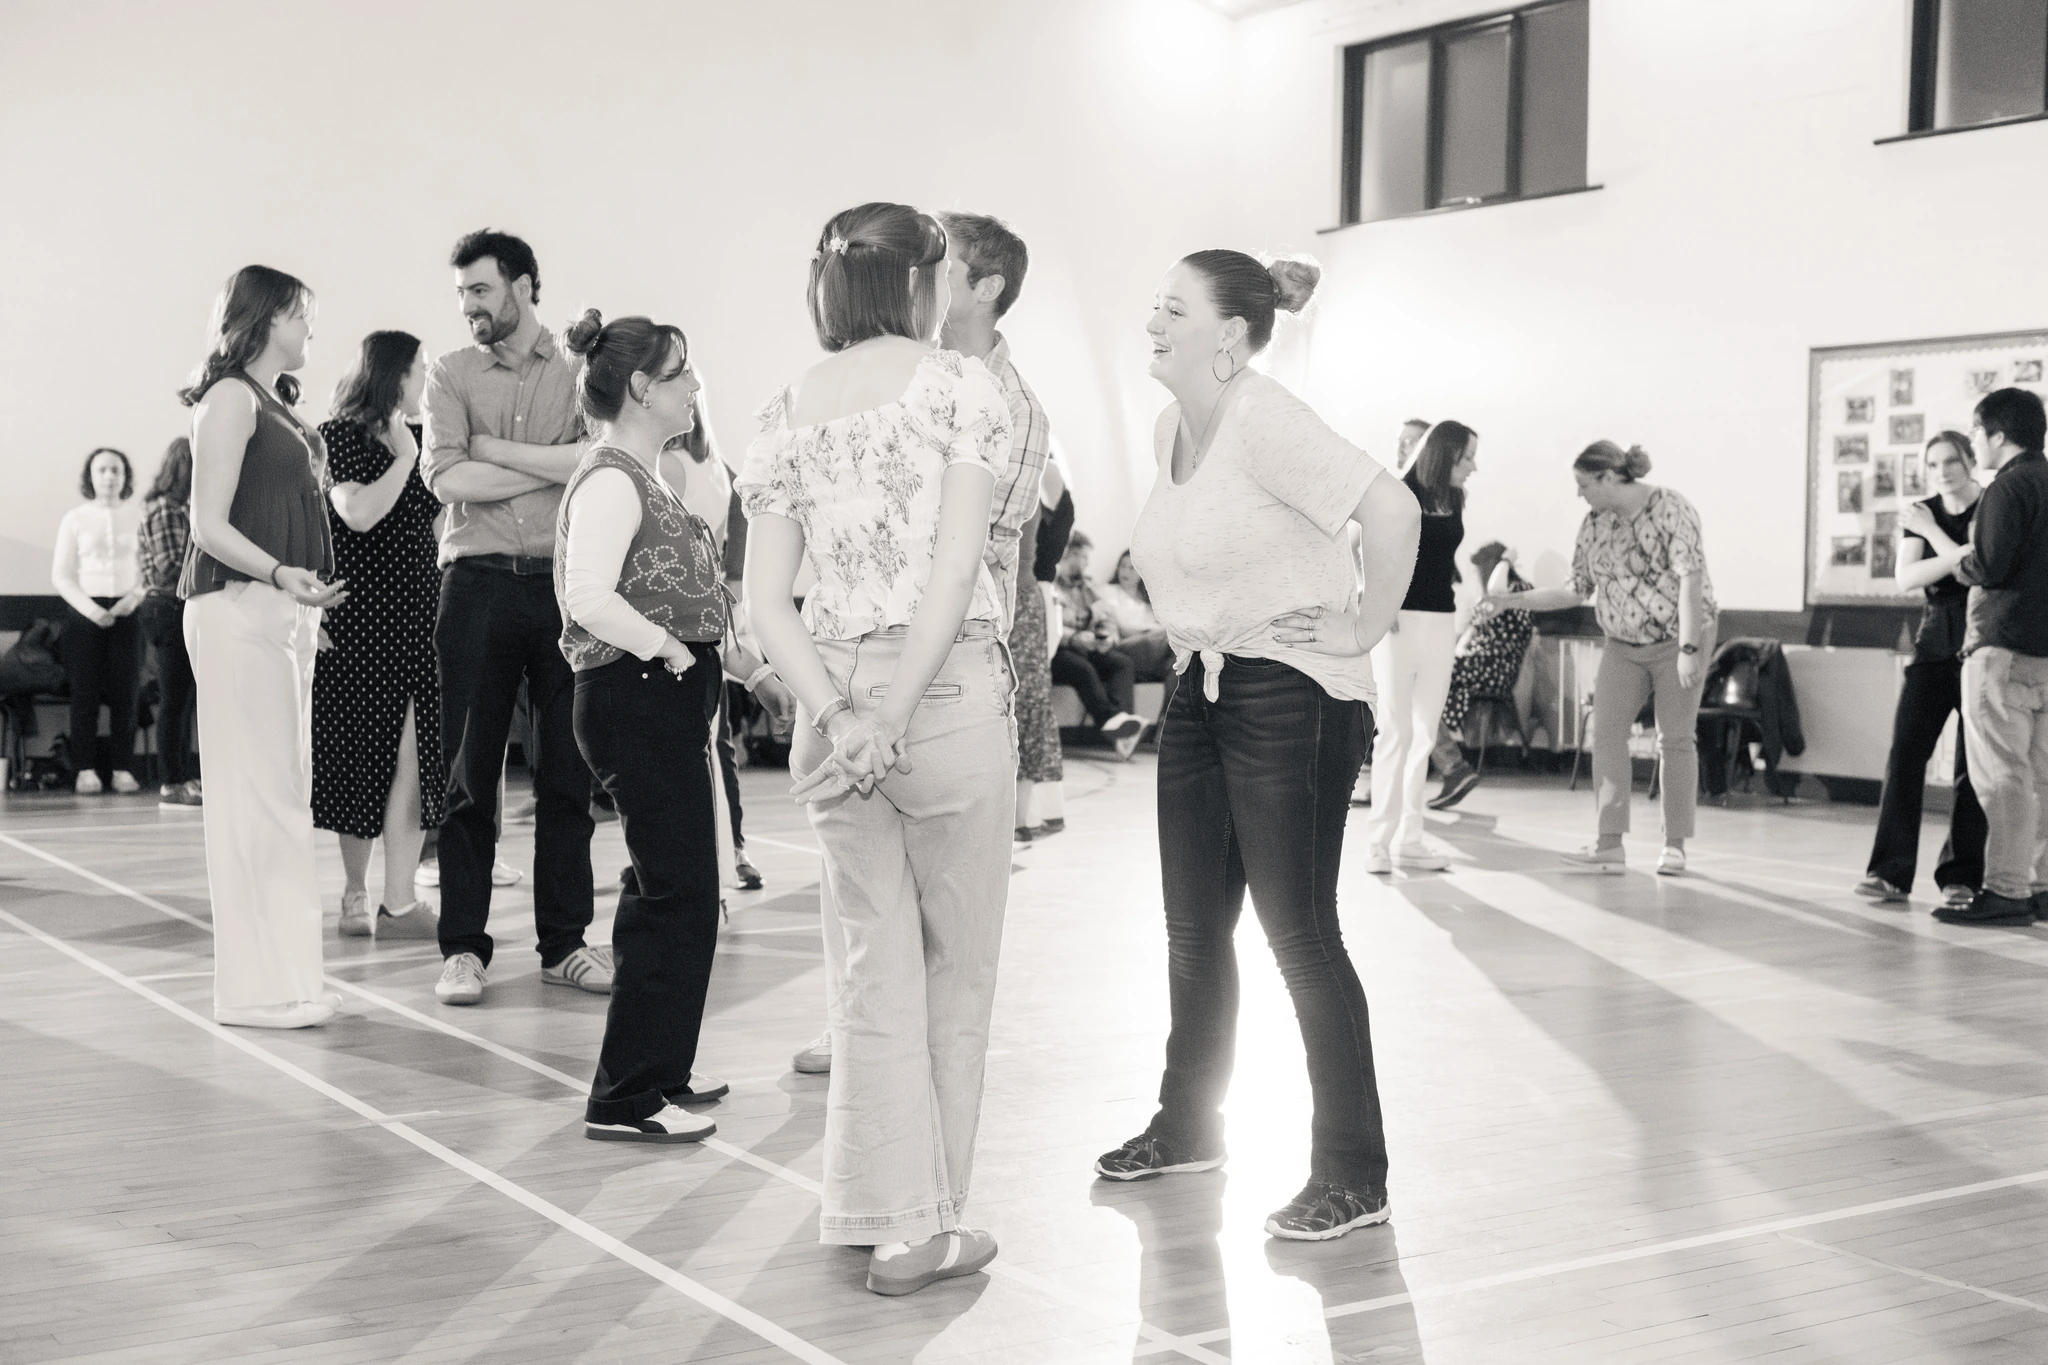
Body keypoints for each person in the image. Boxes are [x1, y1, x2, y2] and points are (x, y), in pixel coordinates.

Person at [1097, 248, 1421, 1244]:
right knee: (1192, 931)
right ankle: (1188, 1124)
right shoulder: (1168, 430)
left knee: (1298, 936)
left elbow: (1392, 507)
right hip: (1200, 686)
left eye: (1173, 308)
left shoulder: (1264, 416)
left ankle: (1352, 1174)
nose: (1151, 320)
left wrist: (1363, 626)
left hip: (1291, 693)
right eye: (1153, 303)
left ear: (1230, 337)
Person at [740, 202, 1014, 1296]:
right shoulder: (962, 386)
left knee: (868, 970)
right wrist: (891, 713)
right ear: (924, 279)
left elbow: (766, 601)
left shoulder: (785, 403)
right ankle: (922, 1231)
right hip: (935, 694)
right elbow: (952, 572)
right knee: (957, 970)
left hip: (830, 701)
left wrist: (841, 713)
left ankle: (869, 1206)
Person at [557, 310, 744, 1144]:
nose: (694, 386)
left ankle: (661, 1067)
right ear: (639, 388)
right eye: (680, 373)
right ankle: (626, 1095)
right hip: (636, 692)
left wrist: (741, 669)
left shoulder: (651, 473)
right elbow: (586, 596)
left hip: (661, 690)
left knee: (676, 889)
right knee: (676, 890)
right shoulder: (610, 479)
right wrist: (669, 650)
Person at [421, 229, 607, 1007]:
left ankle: (564, 944)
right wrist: (540, 463)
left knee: (568, 774)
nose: (469, 307)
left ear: (525, 286)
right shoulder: (450, 372)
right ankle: (464, 948)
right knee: (470, 778)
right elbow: (444, 475)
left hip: (562, 588)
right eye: (463, 293)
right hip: (476, 585)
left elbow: (591, 461)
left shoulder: (577, 370)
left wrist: (495, 452)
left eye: (482, 290)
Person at [178, 264, 346, 1029]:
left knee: (283, 798)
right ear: (266, 316)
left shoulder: (274, 402)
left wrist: (299, 598)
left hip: (275, 611)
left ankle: (290, 979)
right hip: (236, 606)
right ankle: (256, 990)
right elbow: (209, 523)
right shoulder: (228, 398)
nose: (310, 327)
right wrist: (281, 572)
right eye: (301, 314)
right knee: (255, 801)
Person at [1486, 441, 1717, 876]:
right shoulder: (1594, 524)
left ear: (1610, 477)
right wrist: (1511, 602)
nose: (1579, 494)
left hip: (1679, 638)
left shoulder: (1671, 508)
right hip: (1622, 644)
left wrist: (1688, 649)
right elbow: (1575, 588)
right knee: (1607, 732)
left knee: (1675, 739)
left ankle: (1675, 845)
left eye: (1583, 484)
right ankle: (1609, 845)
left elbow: (1691, 580)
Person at [315, 331, 446, 942]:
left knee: (413, 762)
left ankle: (399, 903)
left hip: (418, 618)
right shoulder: (339, 435)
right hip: (360, 620)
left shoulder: (424, 440)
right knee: (360, 759)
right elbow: (358, 514)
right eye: (419, 369)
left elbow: (437, 523)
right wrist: (402, 461)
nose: (426, 380)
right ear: (393, 374)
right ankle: (354, 890)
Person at [1854, 432, 1986, 907]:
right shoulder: (1920, 510)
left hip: (1981, 637)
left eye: (1952, 461)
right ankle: (1889, 873)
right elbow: (1907, 577)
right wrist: (1947, 551)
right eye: (1933, 465)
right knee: (1906, 751)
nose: (1943, 471)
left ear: (1971, 460)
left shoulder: (1990, 507)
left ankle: (1962, 877)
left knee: (1971, 768)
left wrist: (1934, 538)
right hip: (1934, 640)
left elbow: (1979, 564)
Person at [1938, 388, 2048, 926]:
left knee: (2002, 773)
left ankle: (2005, 890)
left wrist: (1964, 563)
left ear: (1998, 434)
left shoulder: (2009, 485)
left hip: (2001, 644)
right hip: (2046, 651)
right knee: (2041, 774)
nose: (1975, 440)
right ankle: (2042, 886)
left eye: (1976, 432)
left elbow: (1992, 563)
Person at [1364, 420, 1477, 872]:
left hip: (1440, 621)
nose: (1473, 466)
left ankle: (1411, 839)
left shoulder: (1456, 497)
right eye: (1467, 456)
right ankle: (1378, 842)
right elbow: (1361, 547)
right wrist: (1376, 599)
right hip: (1398, 623)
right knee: (1396, 731)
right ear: (1446, 455)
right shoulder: (1397, 492)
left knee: (1426, 733)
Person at [52, 447, 146, 794]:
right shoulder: (74, 518)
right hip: (84, 616)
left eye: (116, 470)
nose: (109, 476)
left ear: (125, 476)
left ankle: (123, 768)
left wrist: (130, 601)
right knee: (85, 694)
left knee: (127, 694)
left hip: (127, 612)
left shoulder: (139, 516)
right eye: (102, 470)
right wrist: (92, 611)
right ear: (90, 476)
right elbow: (61, 576)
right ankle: (85, 769)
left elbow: (148, 571)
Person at [1427, 541, 1535, 810]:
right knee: (1425, 686)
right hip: (1478, 663)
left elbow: (1482, 631)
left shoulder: (1511, 590)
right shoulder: (1493, 594)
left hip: (1493, 667)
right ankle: (1440, 760)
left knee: (1423, 689)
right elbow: (1470, 635)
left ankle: (1445, 762)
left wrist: (1505, 562)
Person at [138, 438, 200, 806]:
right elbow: (171, 566)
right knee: (175, 700)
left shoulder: (181, 509)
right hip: (167, 607)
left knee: (186, 699)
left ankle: (183, 777)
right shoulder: (166, 509)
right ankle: (170, 782)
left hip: (176, 606)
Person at [1052, 531, 1146, 758]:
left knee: (1121, 663)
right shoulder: (1051, 585)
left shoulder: (1086, 587)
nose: (1086, 563)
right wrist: (1074, 637)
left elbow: (1105, 617)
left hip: (1087, 646)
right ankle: (1114, 723)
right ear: (1070, 554)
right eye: (1083, 557)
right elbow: (1051, 623)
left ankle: (1124, 730)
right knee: (1082, 668)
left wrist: (1108, 636)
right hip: (1059, 649)